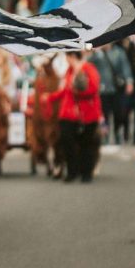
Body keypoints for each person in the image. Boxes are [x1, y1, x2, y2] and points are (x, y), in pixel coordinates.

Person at [53, 52, 101, 183]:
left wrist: (76, 91)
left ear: (72, 57)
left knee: (87, 144)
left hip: (88, 113)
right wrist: (51, 97)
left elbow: (93, 88)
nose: (66, 60)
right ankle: (72, 171)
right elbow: (65, 90)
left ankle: (86, 173)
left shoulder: (89, 69)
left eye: (67, 57)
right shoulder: (69, 71)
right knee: (67, 141)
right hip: (69, 113)